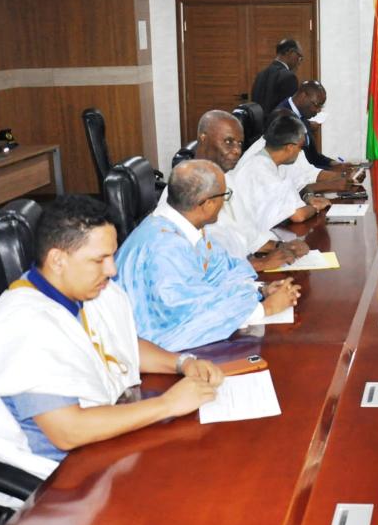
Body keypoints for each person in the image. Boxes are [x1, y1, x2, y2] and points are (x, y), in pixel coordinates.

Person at [0, 195, 226, 505]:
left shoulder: (81, 293)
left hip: (100, 450)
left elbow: (121, 346)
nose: (112, 269)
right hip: (55, 484)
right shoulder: (25, 328)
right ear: (58, 260)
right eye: (100, 260)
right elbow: (68, 432)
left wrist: (182, 363)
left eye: (112, 255)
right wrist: (167, 404)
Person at [115, 160, 301, 351]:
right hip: (148, 351)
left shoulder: (183, 227)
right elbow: (189, 317)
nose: (225, 202)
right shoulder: (164, 247)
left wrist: (260, 290)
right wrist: (265, 309)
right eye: (225, 195)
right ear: (207, 204)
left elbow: (219, 275)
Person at [182, 110, 306, 271]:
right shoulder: (185, 189)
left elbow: (247, 232)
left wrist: (281, 246)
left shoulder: (226, 179)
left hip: (242, 270)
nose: (236, 150)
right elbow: (197, 262)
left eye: (240, 144)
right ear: (203, 138)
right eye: (228, 142)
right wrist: (260, 264)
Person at [215, 113, 332, 257]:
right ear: (290, 147)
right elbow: (298, 215)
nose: (300, 151)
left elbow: (298, 186)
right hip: (243, 252)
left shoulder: (268, 162)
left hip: (255, 242)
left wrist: (308, 198)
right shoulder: (261, 170)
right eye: (300, 147)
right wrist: (315, 207)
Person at [277, 80, 351, 171]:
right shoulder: (282, 118)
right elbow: (295, 168)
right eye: (317, 105)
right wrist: (333, 172)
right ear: (303, 96)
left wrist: (334, 164)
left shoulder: (302, 115)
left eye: (321, 106)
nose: (318, 110)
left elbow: (313, 157)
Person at [251, 38, 303, 117]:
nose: (299, 62)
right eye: (299, 56)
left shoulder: (260, 75)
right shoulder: (289, 77)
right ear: (290, 52)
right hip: (278, 124)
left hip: (258, 124)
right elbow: (289, 113)